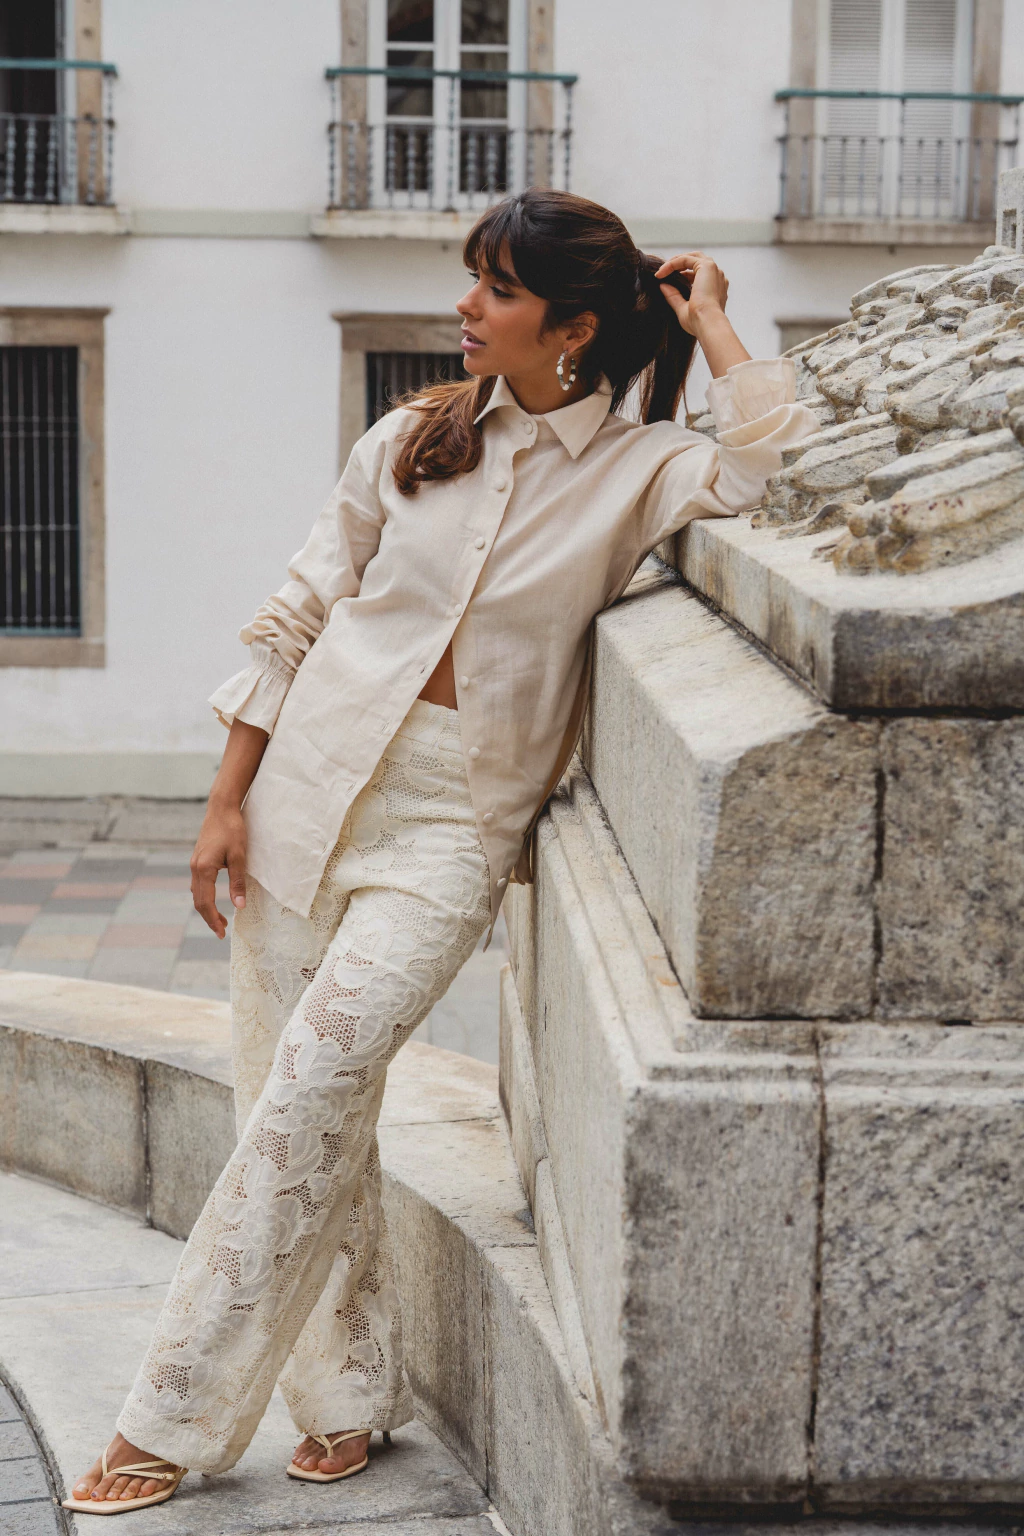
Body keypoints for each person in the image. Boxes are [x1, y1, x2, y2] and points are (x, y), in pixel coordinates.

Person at [64, 187, 818, 1514]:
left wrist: (713, 324)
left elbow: (782, 468)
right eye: (474, 279)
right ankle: (349, 1394)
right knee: (300, 1106)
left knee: (311, 1088)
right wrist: (225, 801)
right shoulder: (415, 435)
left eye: (498, 288)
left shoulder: (639, 469)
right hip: (306, 796)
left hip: (453, 831)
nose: (466, 306)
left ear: (573, 328)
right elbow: (299, 612)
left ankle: (164, 1418)